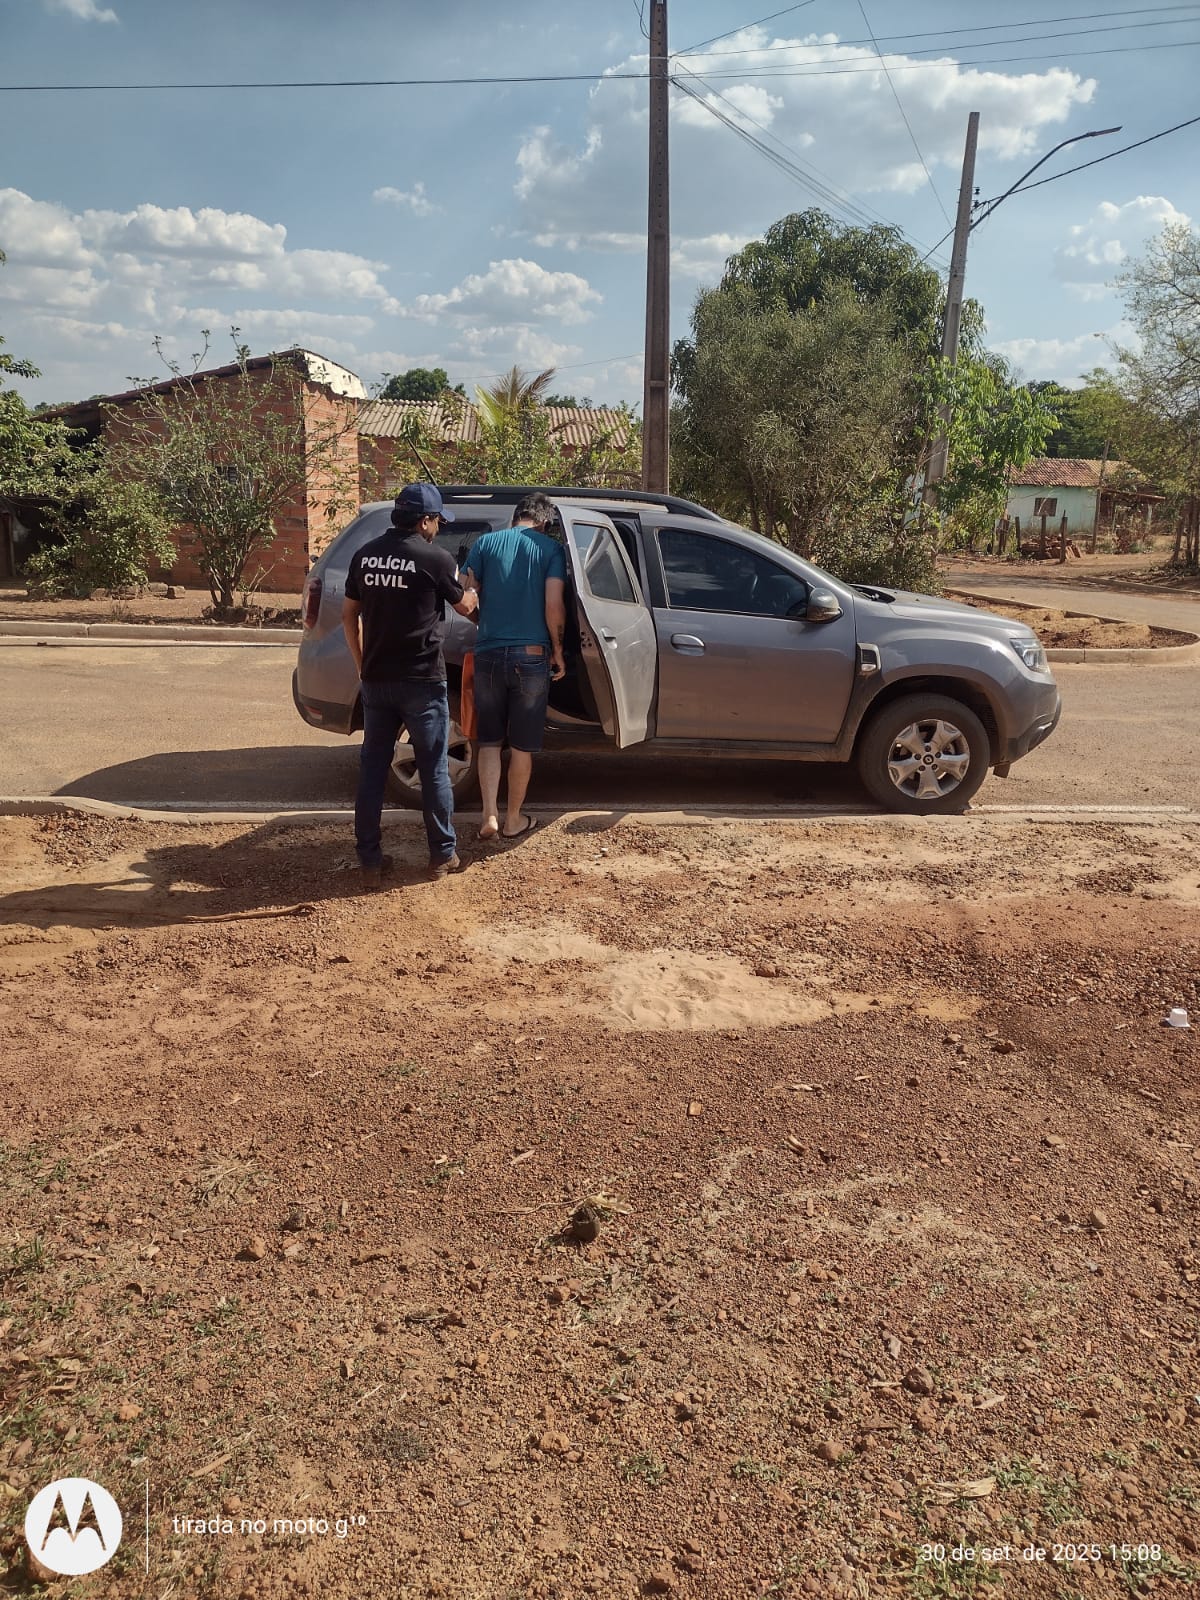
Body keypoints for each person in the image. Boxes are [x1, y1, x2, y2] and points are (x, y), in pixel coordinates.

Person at [342, 482, 478, 886]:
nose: (438, 527)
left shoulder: (364, 556)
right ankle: (442, 855)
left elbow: (349, 615)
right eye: (437, 520)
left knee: (371, 770)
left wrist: (361, 664)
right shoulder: (435, 558)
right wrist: (469, 583)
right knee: (434, 768)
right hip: (422, 681)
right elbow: (464, 606)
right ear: (424, 520)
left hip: (377, 681)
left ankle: (368, 861)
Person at [464, 492, 567, 841]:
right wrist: (558, 649)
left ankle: (488, 814)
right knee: (522, 747)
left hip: (488, 654)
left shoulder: (485, 543)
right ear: (544, 521)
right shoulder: (550, 550)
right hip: (531, 656)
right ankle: (512, 820)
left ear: (517, 516)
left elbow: (465, 597)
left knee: (490, 741)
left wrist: (484, 622)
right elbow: (554, 605)